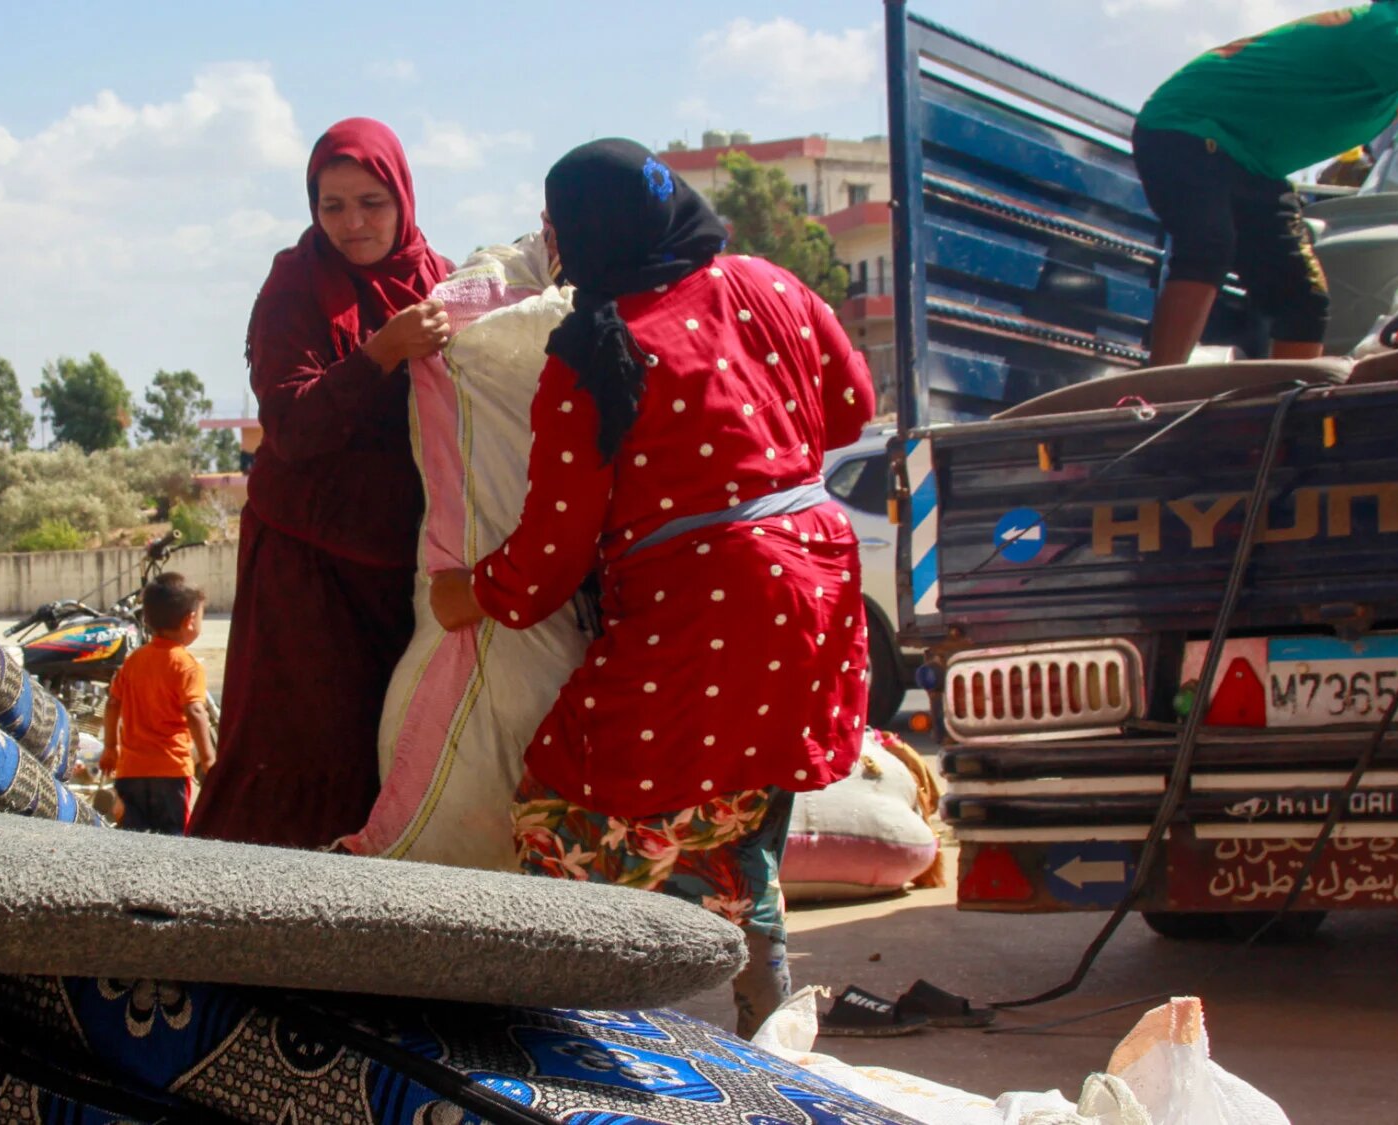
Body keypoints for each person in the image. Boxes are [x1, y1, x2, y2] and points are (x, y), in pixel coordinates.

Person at [427, 139, 877, 1038]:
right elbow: (853, 407)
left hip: (713, 606)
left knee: (563, 814)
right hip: (820, 580)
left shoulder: (596, 354)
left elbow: (549, 560)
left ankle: (586, 1039)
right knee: (741, 802)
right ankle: (767, 1014)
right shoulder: (768, 282)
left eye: (556, 229)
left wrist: (467, 592)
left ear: (580, 234)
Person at [188, 118, 453, 849]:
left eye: (370, 202)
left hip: (405, 569)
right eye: (331, 206)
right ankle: (246, 943)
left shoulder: (438, 279)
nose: (352, 223)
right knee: (303, 752)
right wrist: (380, 354)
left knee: (398, 751)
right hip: (308, 571)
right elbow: (292, 425)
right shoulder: (295, 286)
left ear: (402, 198)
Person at [1135, 0, 1398, 366]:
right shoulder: (1391, 34)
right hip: (1186, 128)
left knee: (1302, 298)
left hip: (1255, 163)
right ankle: (1157, 387)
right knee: (1207, 247)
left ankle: (1289, 410)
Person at [101, 573, 215, 835]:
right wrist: (209, 760)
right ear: (189, 621)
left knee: (134, 837)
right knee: (171, 838)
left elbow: (112, 704)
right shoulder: (187, 666)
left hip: (130, 770)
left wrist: (110, 748)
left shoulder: (134, 661)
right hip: (170, 770)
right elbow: (195, 710)